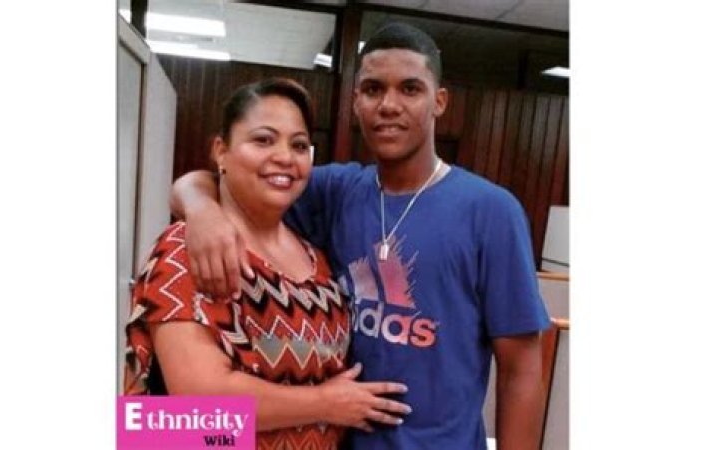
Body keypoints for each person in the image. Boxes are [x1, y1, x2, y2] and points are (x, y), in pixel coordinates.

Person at [171, 23, 550, 450]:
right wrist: (201, 210)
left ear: (439, 101)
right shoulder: (336, 192)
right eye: (372, 90)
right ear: (356, 102)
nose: (388, 105)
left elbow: (520, 371)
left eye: (410, 89)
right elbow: (229, 181)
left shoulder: (490, 212)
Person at [124, 78, 412, 450]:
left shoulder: (316, 255)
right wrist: (326, 403)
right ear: (221, 151)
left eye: (299, 145)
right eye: (263, 140)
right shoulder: (188, 248)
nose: (284, 157)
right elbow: (200, 404)